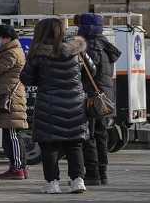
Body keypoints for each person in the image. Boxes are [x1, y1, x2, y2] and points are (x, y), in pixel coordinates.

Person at [20, 18, 95, 194]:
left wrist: (43, 79)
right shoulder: (76, 50)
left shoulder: (39, 53)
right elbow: (92, 70)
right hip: (76, 104)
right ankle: (78, 180)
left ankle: (52, 183)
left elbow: (26, 78)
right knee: (74, 144)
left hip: (49, 105)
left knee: (50, 145)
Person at [77, 13, 121, 186]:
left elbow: (91, 70)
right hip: (104, 97)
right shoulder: (104, 44)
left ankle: (93, 173)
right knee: (101, 135)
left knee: (90, 135)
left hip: (92, 97)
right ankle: (102, 173)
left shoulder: (92, 45)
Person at [0, 24, 29, 180]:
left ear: (6, 38)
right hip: (7, 97)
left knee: (13, 135)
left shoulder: (12, 53)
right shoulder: (7, 51)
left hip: (11, 99)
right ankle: (18, 167)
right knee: (9, 135)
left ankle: (18, 168)